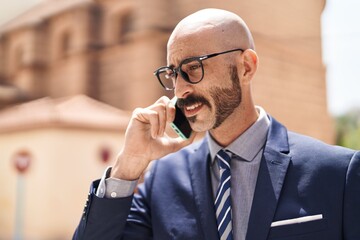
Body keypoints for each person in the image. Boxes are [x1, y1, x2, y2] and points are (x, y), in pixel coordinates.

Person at [73, 8, 360, 240]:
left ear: (246, 67)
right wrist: (127, 168)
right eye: (173, 74)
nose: (180, 89)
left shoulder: (338, 174)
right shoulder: (162, 180)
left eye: (193, 68)